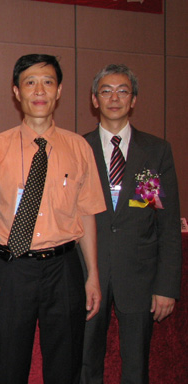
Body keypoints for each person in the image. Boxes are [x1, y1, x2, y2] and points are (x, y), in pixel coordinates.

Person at [0, 54, 106, 384]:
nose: (39, 91)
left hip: (64, 269)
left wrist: (92, 275)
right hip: (12, 269)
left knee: (66, 366)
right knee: (10, 366)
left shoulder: (78, 147)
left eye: (48, 82)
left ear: (59, 91)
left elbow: (86, 213)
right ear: (16, 92)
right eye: (30, 83)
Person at [80, 64, 182, 384]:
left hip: (140, 276)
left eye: (122, 91)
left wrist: (166, 287)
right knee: (85, 365)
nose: (114, 98)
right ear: (94, 99)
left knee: (137, 368)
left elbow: (167, 224)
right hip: (88, 274)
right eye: (106, 91)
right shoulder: (78, 149)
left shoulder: (155, 151)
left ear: (133, 100)